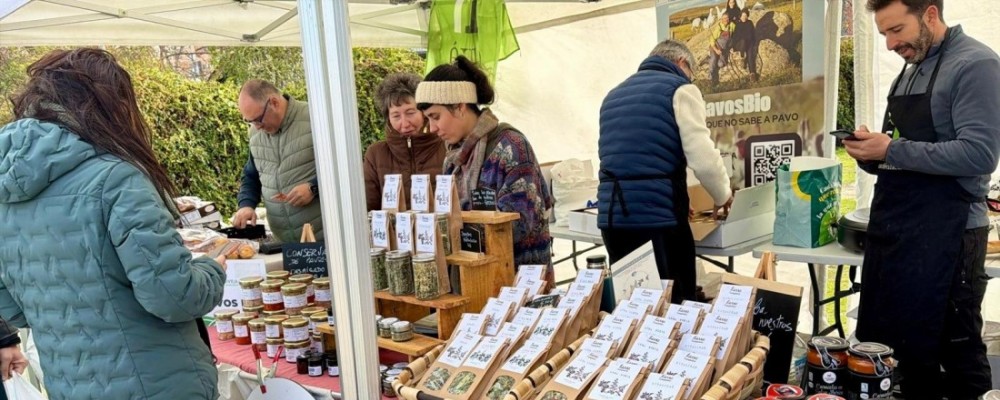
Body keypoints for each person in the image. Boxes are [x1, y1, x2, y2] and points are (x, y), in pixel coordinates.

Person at [0, 48, 226, 399]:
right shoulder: (115, 179)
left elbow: (14, 309)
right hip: (156, 384)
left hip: (72, 386)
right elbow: (174, 296)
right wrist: (213, 270)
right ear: (106, 104)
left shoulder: (6, 196)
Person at [845, 0, 1000, 397]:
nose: (890, 44)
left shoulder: (975, 65)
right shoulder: (909, 71)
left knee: (954, 346)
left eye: (897, 30)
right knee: (901, 350)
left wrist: (890, 151)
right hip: (901, 233)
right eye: (883, 34)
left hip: (951, 234)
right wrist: (868, 153)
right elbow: (901, 152)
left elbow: (979, 154)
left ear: (930, 14)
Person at [598, 39, 733, 303]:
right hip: (656, 221)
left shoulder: (612, 96)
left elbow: (630, 159)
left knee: (632, 305)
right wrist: (723, 195)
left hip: (613, 220)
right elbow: (703, 158)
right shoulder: (680, 89)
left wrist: (678, 200)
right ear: (682, 63)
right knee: (673, 308)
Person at [415, 56, 554, 278]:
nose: (431, 128)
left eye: (435, 116)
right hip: (473, 279)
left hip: (518, 282)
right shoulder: (453, 157)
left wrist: (456, 232)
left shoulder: (511, 146)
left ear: (459, 107)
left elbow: (518, 224)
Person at [232, 79, 323, 243]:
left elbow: (346, 168)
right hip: (284, 244)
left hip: (323, 239)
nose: (256, 127)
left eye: (258, 119)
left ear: (274, 102)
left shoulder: (316, 118)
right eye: (249, 121)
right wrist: (246, 205)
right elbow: (251, 176)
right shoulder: (255, 133)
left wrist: (314, 188)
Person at [364, 73, 447, 211]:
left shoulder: (446, 147)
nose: (404, 123)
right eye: (396, 116)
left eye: (410, 113)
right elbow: (368, 208)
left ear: (423, 112)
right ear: (388, 118)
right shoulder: (375, 155)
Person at [731, 8, 760, 81]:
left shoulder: (750, 23)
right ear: (740, 16)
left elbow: (753, 34)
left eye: (746, 15)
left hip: (749, 44)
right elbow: (734, 37)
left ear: (747, 16)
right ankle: (743, 56)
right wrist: (733, 47)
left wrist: (754, 44)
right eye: (743, 16)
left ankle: (752, 73)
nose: (744, 17)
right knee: (743, 40)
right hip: (739, 45)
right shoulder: (737, 24)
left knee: (750, 56)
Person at [709, 12, 736, 86]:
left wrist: (731, 47)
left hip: (724, 49)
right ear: (721, 19)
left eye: (727, 18)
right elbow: (712, 40)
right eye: (724, 18)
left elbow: (733, 37)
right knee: (713, 60)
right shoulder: (718, 27)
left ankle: (708, 59)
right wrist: (716, 50)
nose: (725, 20)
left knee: (721, 64)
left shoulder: (732, 25)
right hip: (715, 47)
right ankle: (712, 78)